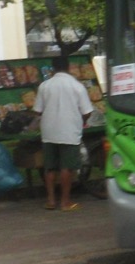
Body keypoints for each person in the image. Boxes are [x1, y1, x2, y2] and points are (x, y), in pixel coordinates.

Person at [33, 55, 93, 211]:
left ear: (53, 68)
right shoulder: (77, 86)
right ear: (68, 67)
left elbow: (37, 111)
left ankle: (51, 201)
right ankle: (65, 202)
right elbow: (87, 111)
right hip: (69, 130)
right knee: (67, 166)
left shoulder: (44, 86)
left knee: (50, 167)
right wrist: (81, 120)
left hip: (48, 131)